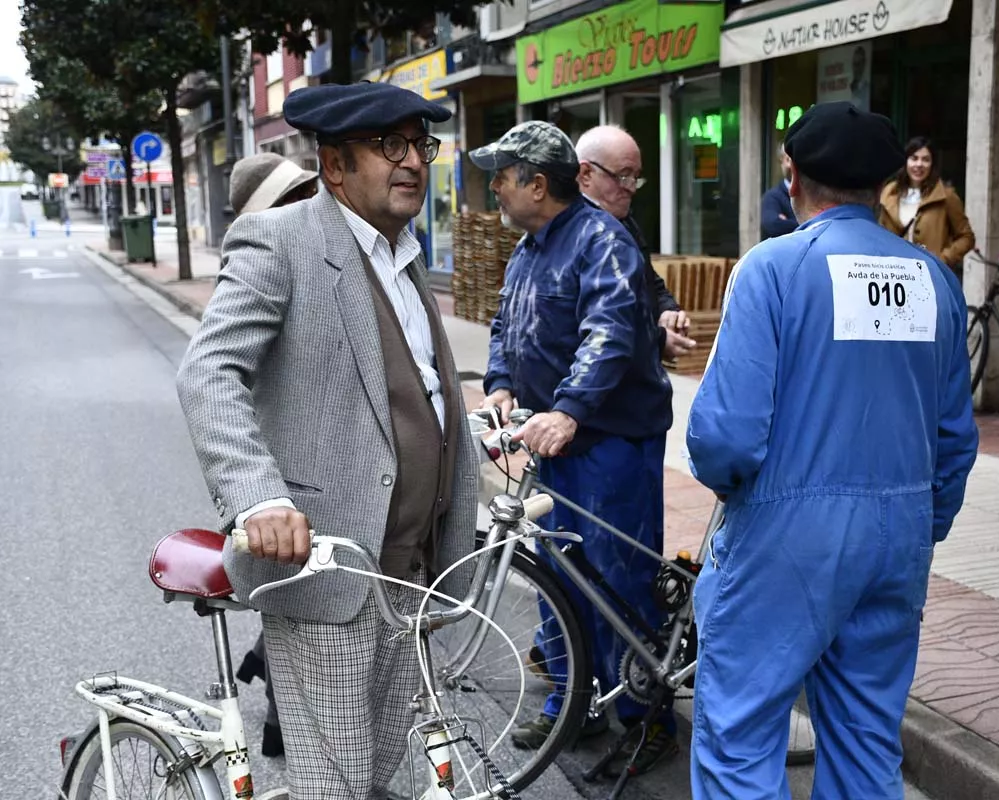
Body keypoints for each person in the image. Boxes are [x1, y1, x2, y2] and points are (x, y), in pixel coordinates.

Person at [175, 81, 479, 800]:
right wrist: (258, 499)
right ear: (335, 165)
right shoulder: (281, 242)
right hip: (326, 571)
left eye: (419, 145)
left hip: (411, 571)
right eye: (389, 146)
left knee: (387, 781)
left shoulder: (404, 256)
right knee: (337, 788)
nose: (412, 162)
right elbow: (208, 371)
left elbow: (408, 386)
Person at [686, 102, 978, 798]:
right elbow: (955, 439)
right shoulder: (932, 279)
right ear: (884, 184)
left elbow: (724, 436)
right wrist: (920, 522)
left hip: (785, 536)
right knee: (867, 743)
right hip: (899, 536)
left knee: (739, 737)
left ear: (792, 176)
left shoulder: (773, 268)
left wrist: (739, 494)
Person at [471, 120, 679, 774]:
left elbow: (610, 335)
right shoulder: (530, 246)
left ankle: (645, 720)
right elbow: (506, 324)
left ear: (537, 183)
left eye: (500, 178)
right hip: (557, 439)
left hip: (612, 441)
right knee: (561, 576)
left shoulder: (600, 240)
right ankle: (573, 702)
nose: (494, 190)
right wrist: (502, 385)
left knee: (619, 582)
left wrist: (568, 410)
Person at [218, 151, 320, 758]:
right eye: (298, 192)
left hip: (309, 470)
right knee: (295, 610)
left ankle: (280, 701)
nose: (311, 198)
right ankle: (286, 718)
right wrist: (258, 494)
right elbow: (217, 377)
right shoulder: (261, 261)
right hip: (279, 478)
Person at [575, 124, 696, 360]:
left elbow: (649, 280)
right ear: (585, 174)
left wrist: (667, 310)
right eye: (622, 176)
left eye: (635, 177)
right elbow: (604, 330)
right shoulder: (573, 234)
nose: (631, 188)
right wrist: (657, 340)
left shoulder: (624, 221)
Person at [878, 136, 976, 280]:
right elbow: (881, 234)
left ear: (932, 164)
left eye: (925, 159)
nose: (919, 164)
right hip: (895, 277)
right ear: (905, 161)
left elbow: (967, 237)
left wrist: (942, 259)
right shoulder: (890, 193)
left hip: (931, 276)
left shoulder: (945, 195)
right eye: (914, 158)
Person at [760, 143, 798, 239]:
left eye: (793, 158)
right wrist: (809, 224)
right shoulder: (772, 197)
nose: (790, 164)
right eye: (787, 159)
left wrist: (788, 221)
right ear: (781, 162)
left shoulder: (813, 193)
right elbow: (773, 225)